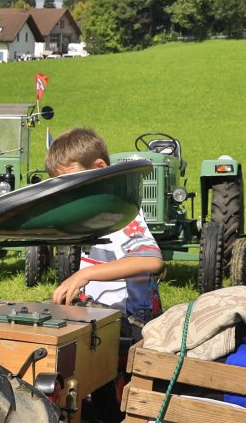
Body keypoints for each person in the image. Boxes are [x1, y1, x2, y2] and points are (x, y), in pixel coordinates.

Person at [46, 127, 163, 322]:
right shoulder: (96, 213)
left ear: (100, 168)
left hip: (131, 321)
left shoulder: (120, 213)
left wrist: (84, 275)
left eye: (72, 181)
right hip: (105, 315)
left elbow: (151, 260)